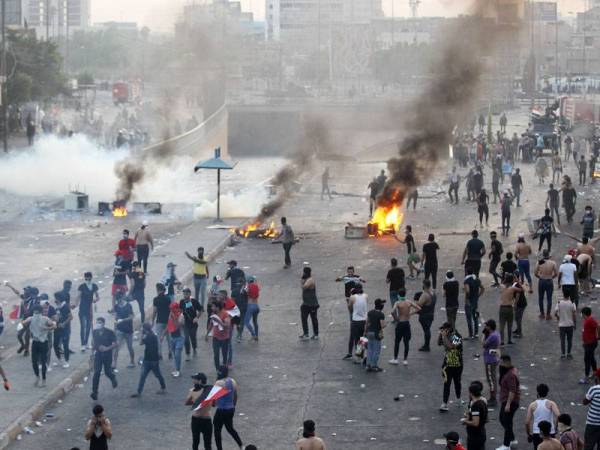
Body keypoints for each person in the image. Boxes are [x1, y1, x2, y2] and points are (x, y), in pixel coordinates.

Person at [21, 305, 55, 387]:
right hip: (35, 342)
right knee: (34, 361)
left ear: (40, 312)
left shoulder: (45, 319)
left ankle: (43, 379)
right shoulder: (31, 318)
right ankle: (37, 377)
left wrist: (46, 328)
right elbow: (22, 323)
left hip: (43, 342)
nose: (36, 313)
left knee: (43, 362)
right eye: (35, 312)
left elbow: (54, 326)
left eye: (37, 312)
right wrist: (27, 325)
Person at [131, 323, 166, 397]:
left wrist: (141, 335)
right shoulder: (152, 335)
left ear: (145, 329)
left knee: (145, 376)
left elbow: (140, 342)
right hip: (151, 359)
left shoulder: (149, 336)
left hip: (150, 360)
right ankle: (163, 387)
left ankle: (139, 392)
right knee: (156, 375)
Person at [213, 366, 243, 450]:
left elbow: (214, 397)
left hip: (221, 410)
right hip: (230, 409)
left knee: (217, 430)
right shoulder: (232, 381)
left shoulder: (219, 383)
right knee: (230, 428)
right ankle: (241, 445)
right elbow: (236, 395)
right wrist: (233, 405)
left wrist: (213, 404)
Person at [389, 289, 420, 365]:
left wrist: (396, 318)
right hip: (407, 323)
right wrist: (410, 313)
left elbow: (392, 311)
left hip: (400, 323)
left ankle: (395, 359)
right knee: (406, 342)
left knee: (397, 341)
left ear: (399, 295)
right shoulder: (409, 302)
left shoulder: (398, 303)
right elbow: (419, 308)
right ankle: (405, 360)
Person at [90, 317, 118, 401]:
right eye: (97, 322)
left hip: (107, 355)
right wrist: (92, 353)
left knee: (107, 372)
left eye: (100, 322)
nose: (98, 324)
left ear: (103, 323)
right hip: (98, 355)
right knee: (97, 373)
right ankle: (95, 392)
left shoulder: (109, 332)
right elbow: (93, 342)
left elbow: (115, 344)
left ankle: (113, 378)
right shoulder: (94, 332)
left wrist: (107, 348)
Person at [525, 384, 561, 449]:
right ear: (546, 393)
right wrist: (555, 428)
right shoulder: (551, 403)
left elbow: (527, 422)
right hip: (550, 432)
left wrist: (529, 434)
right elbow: (559, 416)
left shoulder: (532, 405)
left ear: (538, 392)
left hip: (537, 432)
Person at [439, 322, 463, 412]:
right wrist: (441, 335)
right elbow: (438, 343)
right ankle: (444, 403)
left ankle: (458, 399)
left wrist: (444, 337)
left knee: (457, 382)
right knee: (446, 384)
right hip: (447, 364)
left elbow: (451, 347)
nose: (443, 331)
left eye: (444, 329)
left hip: (457, 364)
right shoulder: (445, 335)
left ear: (448, 329)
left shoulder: (457, 336)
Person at [497, 354, 520, 450]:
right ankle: (512, 438)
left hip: (510, 401)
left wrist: (508, 404)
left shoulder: (511, 374)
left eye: (501, 362)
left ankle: (506, 445)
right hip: (506, 399)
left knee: (506, 421)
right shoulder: (508, 371)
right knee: (503, 420)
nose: (500, 364)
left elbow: (512, 390)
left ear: (507, 362)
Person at [186, 372, 213, 450]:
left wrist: (195, 401)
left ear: (200, 381)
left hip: (196, 419)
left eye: (195, 379)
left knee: (195, 442)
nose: (193, 380)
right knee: (208, 444)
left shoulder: (193, 391)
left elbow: (187, 402)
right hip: (207, 419)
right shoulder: (211, 391)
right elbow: (214, 404)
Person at [76, 273, 99, 351]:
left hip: (89, 308)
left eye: (89, 279)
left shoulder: (94, 286)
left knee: (89, 326)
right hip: (82, 308)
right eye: (86, 279)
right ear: (84, 278)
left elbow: (97, 296)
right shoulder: (81, 286)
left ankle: (86, 343)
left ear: (91, 278)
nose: (87, 280)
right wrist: (75, 304)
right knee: (83, 326)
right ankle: (83, 344)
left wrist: (95, 300)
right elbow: (78, 296)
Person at [462, 381, 488, 450]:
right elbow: (485, 418)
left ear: (471, 393)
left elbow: (475, 423)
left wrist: (465, 422)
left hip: (475, 436)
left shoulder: (476, 405)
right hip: (481, 433)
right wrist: (469, 415)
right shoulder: (482, 402)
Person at [112, 293, 135, 371]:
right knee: (116, 347)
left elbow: (131, 316)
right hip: (119, 329)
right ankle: (114, 363)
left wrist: (123, 320)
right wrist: (114, 329)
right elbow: (115, 318)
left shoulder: (128, 306)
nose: (119, 302)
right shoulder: (116, 307)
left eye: (119, 300)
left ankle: (132, 361)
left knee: (130, 347)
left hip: (128, 330)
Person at [347, 283, 368, 363]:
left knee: (357, 339)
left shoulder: (352, 297)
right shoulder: (366, 296)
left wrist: (351, 293)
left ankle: (359, 357)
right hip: (364, 320)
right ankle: (364, 355)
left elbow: (349, 308)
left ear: (354, 289)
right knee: (363, 339)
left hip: (356, 321)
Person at [499, 274, 522, 346]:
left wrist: (504, 278)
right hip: (509, 307)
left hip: (502, 307)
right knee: (510, 325)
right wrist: (517, 281)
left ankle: (502, 340)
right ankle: (509, 340)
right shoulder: (513, 288)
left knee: (502, 325)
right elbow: (521, 289)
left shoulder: (501, 287)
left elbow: (502, 282)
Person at [481, 319, 500, 407]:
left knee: (491, 379)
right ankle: (493, 397)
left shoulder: (492, 336)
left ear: (489, 327)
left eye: (486, 326)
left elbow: (484, 344)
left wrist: (484, 335)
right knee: (493, 378)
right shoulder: (496, 334)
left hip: (489, 360)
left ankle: (493, 398)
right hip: (493, 357)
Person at [535, 250, 558, 320]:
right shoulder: (553, 263)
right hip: (549, 281)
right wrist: (551, 278)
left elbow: (535, 273)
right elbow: (556, 274)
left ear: (543, 255)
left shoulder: (539, 262)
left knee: (541, 298)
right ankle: (548, 315)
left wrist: (540, 277)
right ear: (548, 254)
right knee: (549, 298)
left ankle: (542, 314)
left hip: (542, 281)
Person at [208, 301, 231, 372]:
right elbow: (211, 324)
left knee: (224, 354)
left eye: (213, 306)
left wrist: (218, 321)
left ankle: (224, 368)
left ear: (217, 307)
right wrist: (207, 333)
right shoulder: (213, 314)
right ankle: (217, 369)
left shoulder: (225, 314)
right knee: (216, 354)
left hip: (224, 338)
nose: (212, 308)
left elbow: (227, 325)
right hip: (215, 337)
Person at [180, 287, 202, 360]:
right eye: (184, 293)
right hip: (185, 323)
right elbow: (179, 311)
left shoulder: (194, 301)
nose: (185, 295)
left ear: (190, 294)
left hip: (193, 323)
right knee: (186, 339)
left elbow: (201, 310)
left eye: (186, 293)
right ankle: (187, 354)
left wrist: (197, 317)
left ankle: (194, 348)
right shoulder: (181, 302)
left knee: (193, 337)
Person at [365, 298, 386, 372]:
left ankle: (368, 365)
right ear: (381, 306)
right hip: (376, 333)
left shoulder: (370, 312)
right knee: (376, 350)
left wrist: (365, 333)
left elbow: (367, 323)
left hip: (369, 332)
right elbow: (382, 325)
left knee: (370, 349)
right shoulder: (381, 314)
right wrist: (385, 324)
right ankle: (374, 366)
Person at [152, 283, 172, 360]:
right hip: (167, 321)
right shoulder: (168, 298)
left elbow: (154, 311)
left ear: (158, 289)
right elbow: (170, 310)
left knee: (159, 338)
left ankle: (160, 354)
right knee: (169, 338)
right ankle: (170, 352)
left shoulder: (156, 299)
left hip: (159, 321)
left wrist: (152, 321)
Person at [464, 267, 484, 339]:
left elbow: (468, 291)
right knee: (475, 317)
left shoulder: (466, 281)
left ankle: (470, 334)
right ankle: (476, 333)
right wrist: (478, 295)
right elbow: (482, 288)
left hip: (469, 301)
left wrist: (466, 299)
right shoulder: (477, 279)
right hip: (475, 301)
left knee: (469, 318)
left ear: (466, 272)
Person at [300, 267, 319, 341]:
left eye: (304, 272)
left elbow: (304, 287)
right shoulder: (306, 279)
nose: (304, 273)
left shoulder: (310, 280)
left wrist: (302, 282)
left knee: (314, 319)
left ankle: (316, 334)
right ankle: (306, 333)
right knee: (303, 318)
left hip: (312, 304)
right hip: (306, 303)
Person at [53, 292, 72, 369]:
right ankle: (60, 360)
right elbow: (57, 316)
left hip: (65, 330)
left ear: (59, 298)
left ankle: (66, 361)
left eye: (56, 298)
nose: (55, 300)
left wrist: (64, 323)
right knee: (55, 345)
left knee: (65, 345)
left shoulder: (65, 307)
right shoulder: (57, 307)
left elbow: (70, 317)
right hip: (57, 329)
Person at [581, 307, 599, 384]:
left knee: (587, 359)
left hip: (590, 343)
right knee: (591, 358)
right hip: (588, 343)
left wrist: (599, 336)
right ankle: (595, 374)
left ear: (584, 313)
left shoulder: (590, 320)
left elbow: (598, 326)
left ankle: (586, 377)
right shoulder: (587, 320)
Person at [167, 302, 185, 377]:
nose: (171, 310)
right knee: (175, 355)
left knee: (177, 354)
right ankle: (177, 369)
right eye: (170, 309)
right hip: (172, 337)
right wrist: (163, 335)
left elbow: (177, 326)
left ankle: (178, 370)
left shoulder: (181, 316)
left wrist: (174, 318)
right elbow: (168, 326)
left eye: (172, 309)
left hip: (180, 337)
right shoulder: (170, 315)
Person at [583, 369, 600, 450]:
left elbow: (585, 402)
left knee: (588, 446)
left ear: (597, 377)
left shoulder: (594, 389)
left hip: (592, 423)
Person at [417, 280, 436, 351]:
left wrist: (416, 301)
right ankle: (426, 345)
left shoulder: (425, 295)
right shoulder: (433, 293)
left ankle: (426, 345)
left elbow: (419, 305)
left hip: (425, 315)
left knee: (426, 330)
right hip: (431, 314)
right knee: (427, 330)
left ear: (424, 285)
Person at [242, 276, 260, 341]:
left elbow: (242, 292)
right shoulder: (256, 286)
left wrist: (243, 285)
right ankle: (257, 335)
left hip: (250, 305)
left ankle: (253, 335)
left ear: (248, 281)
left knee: (246, 322)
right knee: (255, 322)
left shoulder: (247, 286)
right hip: (256, 306)